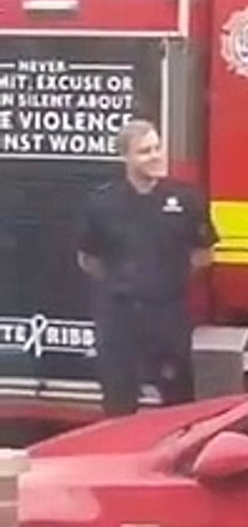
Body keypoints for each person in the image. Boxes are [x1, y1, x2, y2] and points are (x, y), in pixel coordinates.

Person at [76, 119, 219, 417]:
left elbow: (204, 254)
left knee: (178, 402)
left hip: (168, 313)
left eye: (157, 148)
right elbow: (89, 259)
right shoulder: (102, 202)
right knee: (118, 403)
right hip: (120, 317)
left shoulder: (187, 198)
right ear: (125, 157)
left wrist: (165, 281)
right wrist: (127, 284)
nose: (155, 156)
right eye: (144, 151)